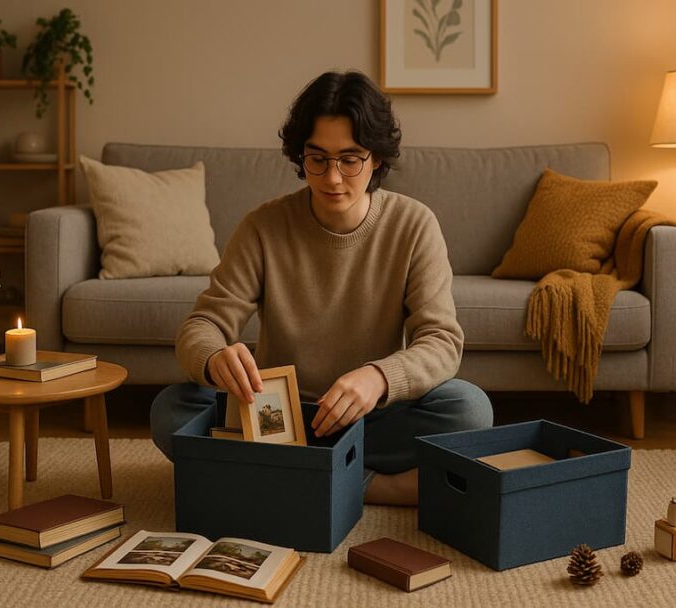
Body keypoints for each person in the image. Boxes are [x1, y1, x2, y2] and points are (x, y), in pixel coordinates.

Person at [150, 70, 492, 505]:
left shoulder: (414, 224)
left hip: (370, 415)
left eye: (350, 160)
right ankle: (368, 485)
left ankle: (277, 475)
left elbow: (441, 341)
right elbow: (202, 324)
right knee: (170, 410)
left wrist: (379, 377)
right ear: (301, 155)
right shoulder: (263, 226)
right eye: (318, 159)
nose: (332, 178)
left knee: (469, 410)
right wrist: (215, 357)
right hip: (274, 419)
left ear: (376, 159)